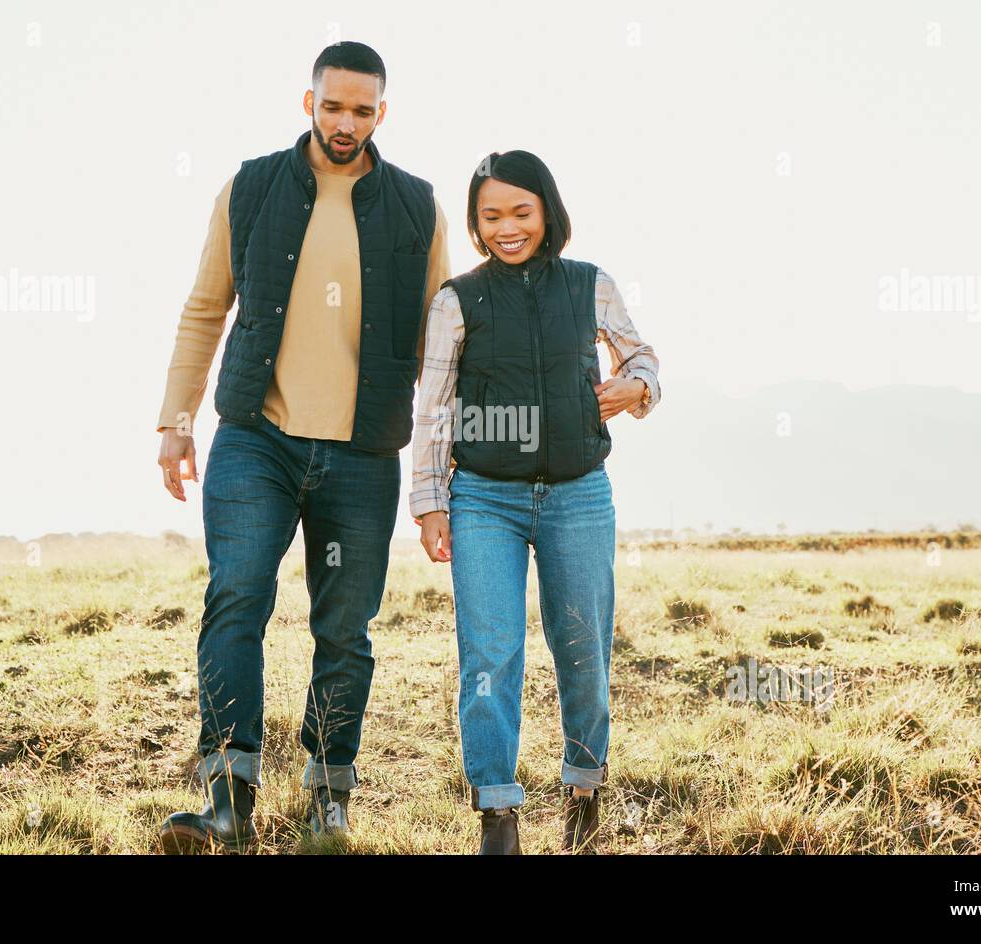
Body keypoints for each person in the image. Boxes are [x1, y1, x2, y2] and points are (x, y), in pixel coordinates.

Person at [154, 41, 450, 853]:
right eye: (333, 106)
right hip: (258, 438)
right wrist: (176, 420)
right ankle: (228, 796)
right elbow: (204, 308)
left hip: (362, 454)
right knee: (236, 598)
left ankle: (329, 798)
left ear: (381, 113)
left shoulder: (419, 206)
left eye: (362, 110)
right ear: (308, 102)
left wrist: (438, 474)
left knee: (345, 629)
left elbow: (441, 347)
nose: (346, 122)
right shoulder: (250, 188)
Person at [411, 150, 661, 854]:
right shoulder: (457, 300)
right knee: (489, 651)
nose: (507, 228)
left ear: (548, 211)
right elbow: (433, 409)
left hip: (579, 494)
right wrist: (430, 503)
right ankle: (497, 811)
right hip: (483, 497)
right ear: (476, 224)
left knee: (583, 644)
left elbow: (641, 356)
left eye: (521, 212)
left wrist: (639, 387)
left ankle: (584, 787)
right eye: (491, 216)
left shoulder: (591, 285)